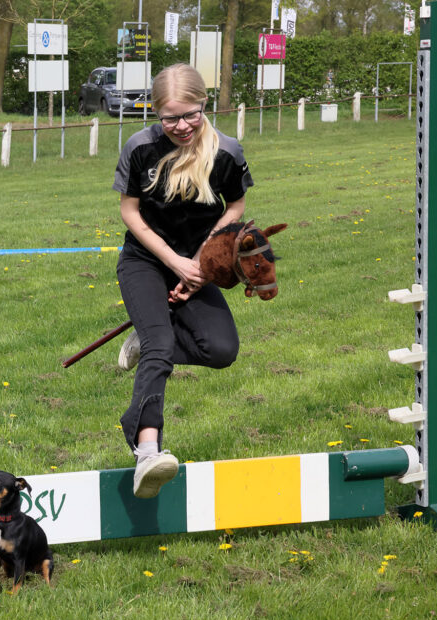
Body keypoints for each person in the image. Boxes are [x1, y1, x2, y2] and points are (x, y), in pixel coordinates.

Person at [112, 63, 253, 499]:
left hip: (196, 262)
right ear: (155, 113)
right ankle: (148, 452)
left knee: (222, 350)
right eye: (169, 117)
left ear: (204, 105)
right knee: (160, 347)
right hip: (146, 260)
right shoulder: (140, 148)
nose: (181, 125)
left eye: (190, 114)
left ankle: (147, 337)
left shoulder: (226, 151)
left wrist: (201, 263)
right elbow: (129, 212)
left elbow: (236, 206)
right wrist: (174, 260)